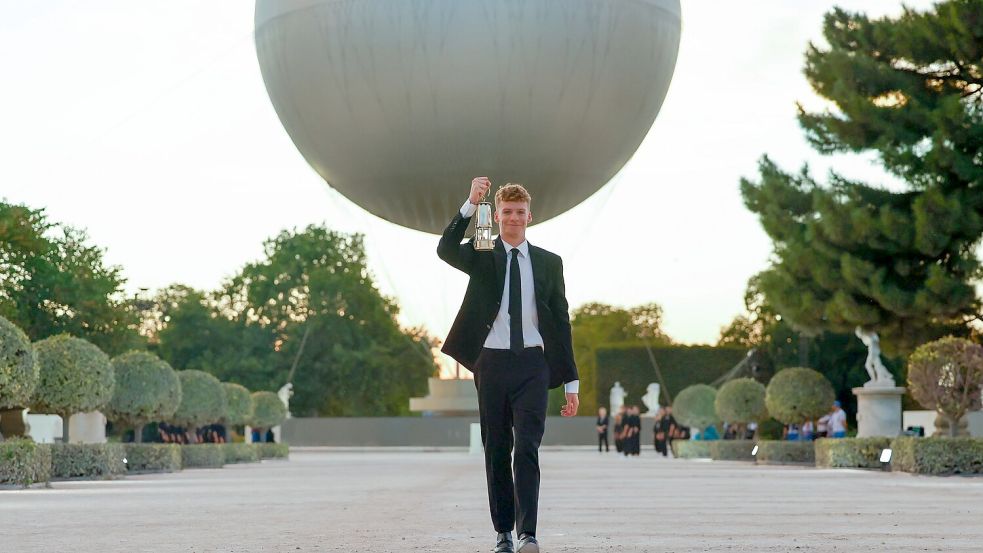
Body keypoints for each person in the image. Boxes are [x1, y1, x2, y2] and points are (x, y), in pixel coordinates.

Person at [438, 177, 579, 553]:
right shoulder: (483, 253)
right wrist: (469, 203)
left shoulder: (550, 263)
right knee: (497, 449)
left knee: (528, 448)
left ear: (529, 216)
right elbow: (445, 249)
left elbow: (561, 321)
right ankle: (503, 532)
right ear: (496, 216)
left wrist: (571, 382)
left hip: (534, 364)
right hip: (492, 364)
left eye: (519, 212)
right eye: (506, 212)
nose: (513, 218)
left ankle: (527, 533)